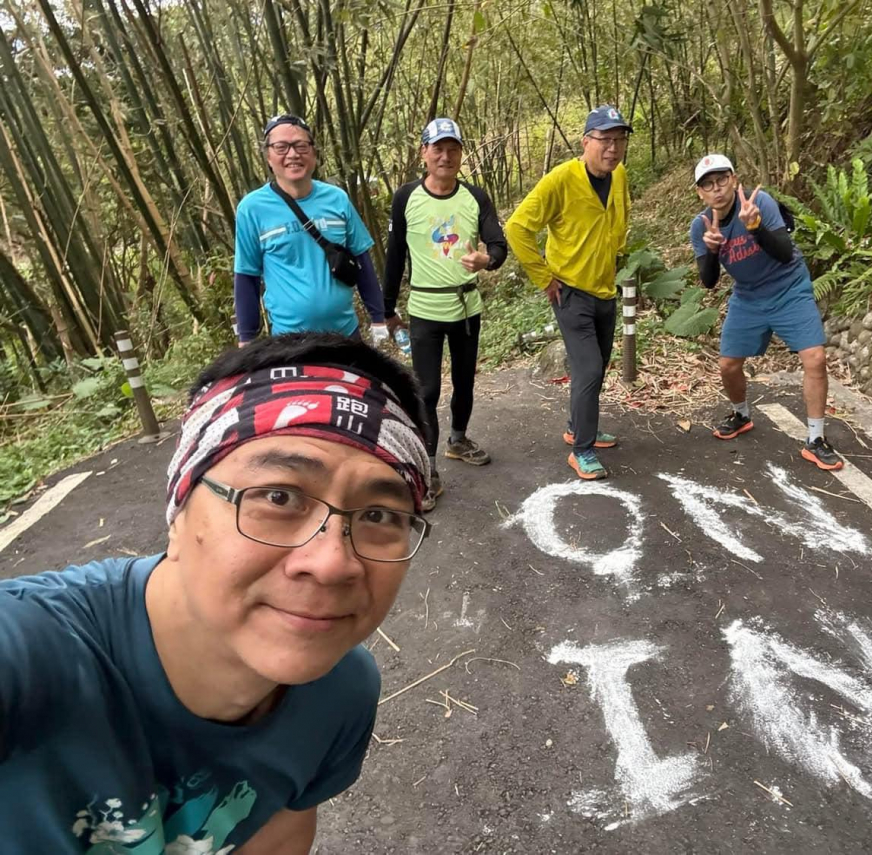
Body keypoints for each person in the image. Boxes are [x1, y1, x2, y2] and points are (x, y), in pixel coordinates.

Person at [0, 333, 430, 852]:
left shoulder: (341, 693)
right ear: (179, 513)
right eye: (279, 496)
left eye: (379, 515)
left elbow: (276, 837)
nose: (332, 563)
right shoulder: (31, 654)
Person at [383, 117, 508, 512]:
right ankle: (428, 466)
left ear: (460, 153)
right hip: (425, 309)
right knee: (427, 391)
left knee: (464, 382)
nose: (446, 156)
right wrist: (387, 309)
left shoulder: (475, 196)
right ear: (424, 153)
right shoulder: (406, 197)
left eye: (453, 148)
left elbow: (498, 244)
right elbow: (394, 256)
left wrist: (487, 259)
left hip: (467, 306)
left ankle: (458, 439)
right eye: (437, 148)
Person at [689, 154, 843, 470]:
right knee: (728, 366)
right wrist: (713, 251)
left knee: (815, 358)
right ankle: (741, 414)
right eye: (708, 185)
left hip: (789, 288)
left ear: (733, 179)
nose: (716, 189)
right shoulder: (702, 226)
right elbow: (708, 281)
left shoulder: (761, 204)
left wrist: (755, 227)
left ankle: (815, 438)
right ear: (700, 193)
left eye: (721, 180)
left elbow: (785, 254)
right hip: (748, 297)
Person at [505, 105, 632, 480]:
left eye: (619, 140)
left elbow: (618, 219)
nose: (613, 148)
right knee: (589, 368)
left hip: (604, 289)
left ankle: (579, 427)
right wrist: (544, 277)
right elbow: (517, 228)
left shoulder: (619, 175)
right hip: (571, 293)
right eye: (605, 140)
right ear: (586, 142)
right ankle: (582, 450)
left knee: (598, 363)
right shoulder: (560, 180)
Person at [234, 115, 387, 347]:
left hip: (345, 335)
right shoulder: (252, 209)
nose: (293, 154)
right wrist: (246, 338)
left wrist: (378, 318)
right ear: (268, 156)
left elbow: (362, 259)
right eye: (281, 147)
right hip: (290, 342)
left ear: (314, 153)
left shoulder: (337, 199)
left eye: (301, 146)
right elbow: (247, 277)